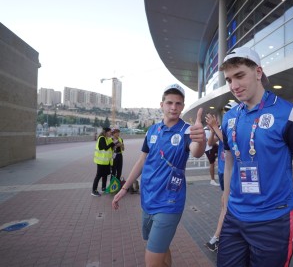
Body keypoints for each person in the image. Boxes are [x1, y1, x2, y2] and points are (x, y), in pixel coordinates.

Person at [217, 47, 293, 266]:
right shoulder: (229, 117)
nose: (234, 86)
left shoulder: (289, 113)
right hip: (235, 217)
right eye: (229, 79)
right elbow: (230, 163)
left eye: (240, 75)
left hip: (273, 220)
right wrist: (225, 204)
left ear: (258, 72)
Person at [112, 84, 206, 267]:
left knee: (152, 261)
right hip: (148, 199)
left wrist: (200, 140)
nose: (174, 107)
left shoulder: (187, 131)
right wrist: (124, 188)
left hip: (169, 202)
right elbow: (142, 161)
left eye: (178, 104)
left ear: (182, 106)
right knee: (162, 249)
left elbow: (196, 151)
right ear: (161, 105)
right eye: (169, 102)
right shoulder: (152, 131)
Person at [204, 102, 238, 252]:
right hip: (223, 171)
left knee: (225, 204)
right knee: (225, 203)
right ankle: (225, 235)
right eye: (225, 111)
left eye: (229, 111)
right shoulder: (223, 128)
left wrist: (216, 128)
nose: (226, 114)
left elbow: (230, 142)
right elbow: (211, 143)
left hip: (233, 173)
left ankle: (217, 237)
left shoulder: (237, 126)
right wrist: (213, 130)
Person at [92, 127, 120, 196]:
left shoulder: (107, 139)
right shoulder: (101, 138)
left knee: (105, 175)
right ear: (106, 132)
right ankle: (94, 190)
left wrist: (115, 143)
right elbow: (105, 147)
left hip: (106, 162)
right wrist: (112, 143)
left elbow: (110, 148)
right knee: (98, 175)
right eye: (110, 132)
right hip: (101, 161)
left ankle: (103, 188)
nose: (111, 133)